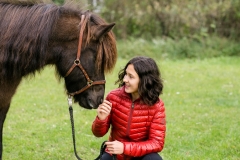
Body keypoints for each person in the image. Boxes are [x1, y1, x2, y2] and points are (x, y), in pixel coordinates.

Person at [92, 56, 166, 160]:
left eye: (131, 76)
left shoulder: (157, 106)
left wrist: (124, 148)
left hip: (140, 155)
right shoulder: (113, 97)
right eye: (126, 74)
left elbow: (157, 143)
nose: (125, 79)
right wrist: (101, 119)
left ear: (144, 80)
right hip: (114, 154)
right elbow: (98, 133)